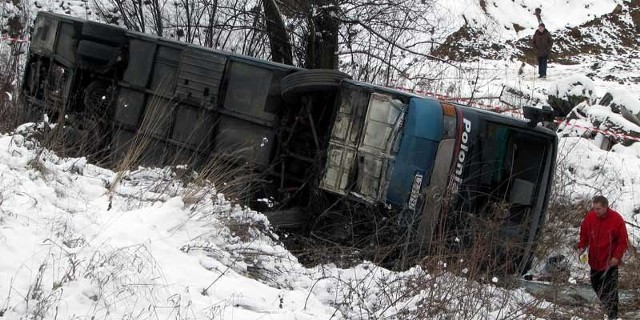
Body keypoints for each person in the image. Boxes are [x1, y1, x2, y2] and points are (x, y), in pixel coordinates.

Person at [575, 196, 629, 319]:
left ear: (605, 207)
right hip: (594, 261)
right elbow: (584, 233)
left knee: (611, 290)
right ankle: (606, 306)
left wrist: (617, 257)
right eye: (594, 208)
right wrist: (581, 247)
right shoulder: (590, 217)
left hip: (610, 262)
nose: (595, 211)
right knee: (596, 285)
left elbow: (623, 241)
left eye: (598, 209)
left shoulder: (616, 219)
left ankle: (612, 315)